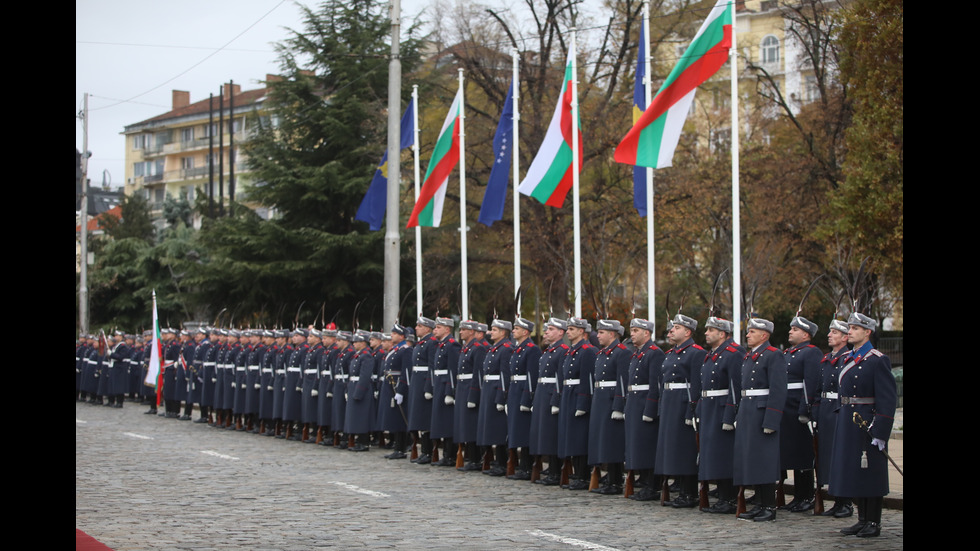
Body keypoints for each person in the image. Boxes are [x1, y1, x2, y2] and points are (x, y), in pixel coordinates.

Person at [830, 313, 896, 538]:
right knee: (854, 471)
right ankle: (861, 519)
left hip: (868, 421)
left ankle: (874, 522)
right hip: (849, 420)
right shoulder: (848, 357)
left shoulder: (877, 360)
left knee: (871, 472)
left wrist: (880, 430)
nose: (850, 331)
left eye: (855, 328)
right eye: (849, 327)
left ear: (867, 332)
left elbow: (887, 399)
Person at [735, 318, 787, 522]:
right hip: (749, 410)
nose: (748, 335)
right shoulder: (750, 356)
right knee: (752, 459)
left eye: (752, 332)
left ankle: (768, 506)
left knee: (764, 461)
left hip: (762, 412)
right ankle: (759, 504)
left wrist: (772, 419)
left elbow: (778, 389)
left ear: (764, 335)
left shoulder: (773, 355)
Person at [655, 314, 707, 508]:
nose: (670, 331)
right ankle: (680, 489)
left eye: (675, 328)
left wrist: (691, 411)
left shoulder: (696, 353)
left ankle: (690, 492)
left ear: (687, 331)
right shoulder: (670, 353)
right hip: (670, 403)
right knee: (672, 449)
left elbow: (696, 384)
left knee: (685, 449)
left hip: (683, 404)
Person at [697, 317, 744, 513]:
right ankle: (723, 495)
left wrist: (730, 415)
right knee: (713, 453)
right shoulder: (713, 354)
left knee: (724, 454)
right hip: (709, 406)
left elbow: (735, 387)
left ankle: (729, 498)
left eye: (711, 330)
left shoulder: (733, 353)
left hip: (722, 407)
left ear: (722, 334)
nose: (706, 333)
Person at [780, 316, 821, 512]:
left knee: (804, 454)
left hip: (798, 408)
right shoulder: (788, 353)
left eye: (795, 329)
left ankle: (807, 495)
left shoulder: (811, 353)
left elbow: (810, 384)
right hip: (786, 409)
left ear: (806, 334)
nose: (790, 331)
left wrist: (806, 410)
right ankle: (797, 496)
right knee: (792, 453)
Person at [587, 319, 630, 495]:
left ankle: (615, 480)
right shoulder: (602, 353)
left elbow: (622, 381)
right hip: (600, 399)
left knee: (612, 441)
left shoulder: (621, 353)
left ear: (612, 334)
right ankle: (609, 477)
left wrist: (619, 406)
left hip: (612, 400)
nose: (598, 335)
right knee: (602, 440)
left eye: (602, 332)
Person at [814, 319, 852, 518]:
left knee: (840, 456)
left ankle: (845, 502)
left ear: (845, 338)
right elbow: (819, 388)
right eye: (830, 332)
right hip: (825, 410)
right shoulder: (827, 358)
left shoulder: (848, 358)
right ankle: (837, 500)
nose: (829, 335)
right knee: (827, 456)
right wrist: (814, 412)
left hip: (839, 409)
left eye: (834, 332)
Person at [623, 318, 664, 501]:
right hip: (634, 402)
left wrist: (650, 409)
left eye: (636, 330)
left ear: (646, 333)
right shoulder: (637, 353)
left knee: (647, 446)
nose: (632, 334)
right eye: (631, 330)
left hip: (644, 403)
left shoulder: (654, 353)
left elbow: (655, 384)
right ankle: (644, 481)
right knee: (637, 445)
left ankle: (652, 486)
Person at [555, 317, 597, 490]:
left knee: (579, 436)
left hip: (578, 394)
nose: (568, 332)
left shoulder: (587, 350)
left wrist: (582, 403)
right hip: (568, 394)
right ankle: (576, 473)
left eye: (572, 329)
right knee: (570, 435)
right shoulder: (571, 351)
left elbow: (587, 379)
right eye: (568, 329)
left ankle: (583, 475)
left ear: (581, 331)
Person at [529, 318, 568, 485]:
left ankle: (555, 471)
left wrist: (556, 400)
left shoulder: (562, 350)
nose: (546, 332)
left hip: (551, 394)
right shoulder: (548, 351)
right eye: (546, 329)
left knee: (552, 435)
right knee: (543, 433)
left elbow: (560, 377)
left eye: (550, 329)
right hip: (542, 394)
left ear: (561, 332)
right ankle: (550, 470)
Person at [477, 319, 514, 476]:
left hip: (497, 389)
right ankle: (496, 461)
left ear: (503, 332)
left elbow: (505, 374)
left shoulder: (506, 348)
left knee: (499, 429)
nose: (491, 332)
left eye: (495, 329)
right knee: (490, 427)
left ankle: (502, 462)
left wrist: (501, 396)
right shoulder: (495, 348)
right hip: (488, 389)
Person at [506, 317, 541, 479]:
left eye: (517, 328)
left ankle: (527, 467)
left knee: (523, 430)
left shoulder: (531, 349)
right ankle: (522, 466)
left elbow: (531, 376)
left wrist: (527, 398)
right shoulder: (518, 348)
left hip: (523, 392)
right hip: (514, 390)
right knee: (515, 430)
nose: (513, 331)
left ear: (525, 332)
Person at [455, 321, 488, 470]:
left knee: (471, 425)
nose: (461, 332)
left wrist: (474, 395)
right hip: (462, 387)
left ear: (472, 332)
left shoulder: (477, 349)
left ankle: (476, 459)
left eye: (464, 330)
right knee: (464, 424)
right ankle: (471, 457)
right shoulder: (465, 348)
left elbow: (477, 374)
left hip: (470, 388)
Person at [429, 317, 461, 466]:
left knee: (447, 422)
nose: (435, 330)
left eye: (438, 327)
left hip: (445, 385)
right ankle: (446, 454)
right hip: (439, 384)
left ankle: (450, 455)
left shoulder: (452, 345)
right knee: (440, 421)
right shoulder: (441, 345)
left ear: (447, 329)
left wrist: (450, 391)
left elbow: (452, 370)